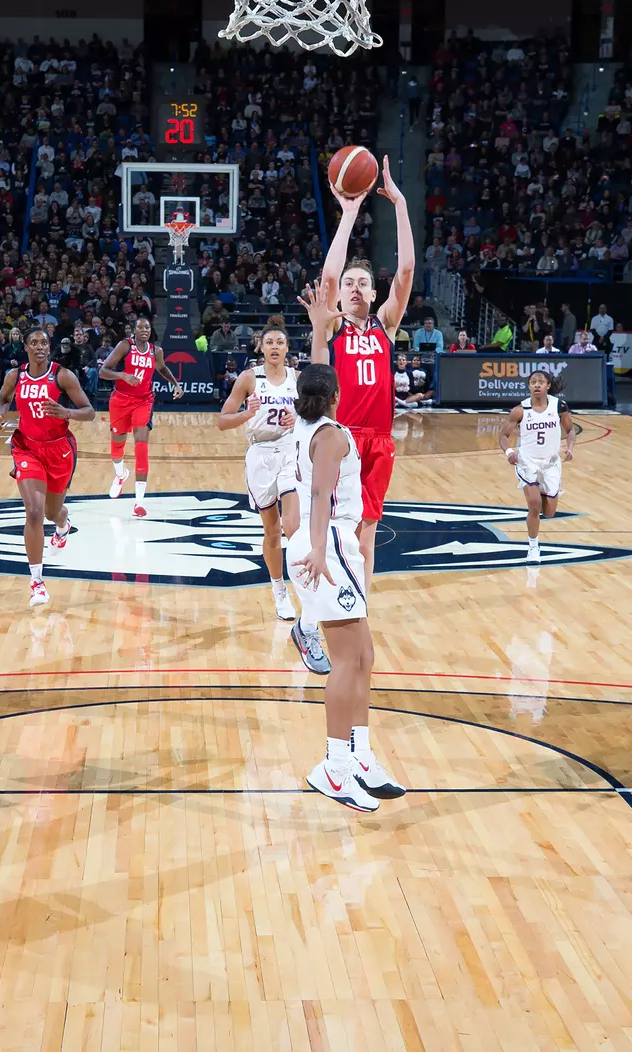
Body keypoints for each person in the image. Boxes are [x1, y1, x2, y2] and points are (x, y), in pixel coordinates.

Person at [306, 154, 416, 673]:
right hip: (341, 439)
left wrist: (397, 203)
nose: (353, 289)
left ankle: (359, 606)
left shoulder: (385, 327)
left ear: (373, 294)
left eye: (361, 285)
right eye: (349, 284)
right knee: (332, 527)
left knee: (367, 532)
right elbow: (327, 277)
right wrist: (348, 213)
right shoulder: (333, 327)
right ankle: (312, 616)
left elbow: (409, 270)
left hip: (381, 440)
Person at [286, 363, 403, 811]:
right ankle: (334, 768)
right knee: (346, 662)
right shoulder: (331, 436)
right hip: (329, 544)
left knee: (364, 656)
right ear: (336, 394)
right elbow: (318, 496)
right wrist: (318, 547)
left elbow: (314, 371)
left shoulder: (306, 424)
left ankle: (360, 754)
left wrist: (319, 327)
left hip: (329, 543)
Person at [0, 328, 96, 607]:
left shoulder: (62, 375)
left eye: (44, 343)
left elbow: (89, 410)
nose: (40, 347)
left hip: (60, 449)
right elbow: (1, 398)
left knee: (51, 512)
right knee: (35, 513)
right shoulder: (15, 376)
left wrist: (67, 413)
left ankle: (63, 524)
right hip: (27, 448)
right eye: (34, 343)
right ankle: (37, 582)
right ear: (25, 347)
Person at [216, 315, 301, 622]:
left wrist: (300, 421)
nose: (275, 347)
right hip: (261, 454)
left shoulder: (298, 378)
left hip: (290, 451)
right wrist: (246, 414)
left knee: (294, 525)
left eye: (280, 342)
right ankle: (279, 591)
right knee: (272, 530)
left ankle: (305, 589)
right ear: (261, 347)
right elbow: (222, 420)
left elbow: (317, 418)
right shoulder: (249, 378)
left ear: (287, 347)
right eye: (269, 343)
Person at [100, 316, 184, 516]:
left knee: (141, 446)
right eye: (140, 327)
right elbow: (103, 371)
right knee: (117, 445)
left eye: (147, 327)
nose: (144, 330)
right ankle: (120, 475)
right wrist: (123, 376)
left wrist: (175, 383)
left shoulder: (157, 351)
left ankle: (139, 503)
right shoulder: (124, 346)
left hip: (143, 401)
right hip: (120, 400)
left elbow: (161, 368)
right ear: (134, 331)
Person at [499, 369, 575, 565]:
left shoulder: (559, 406)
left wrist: (570, 447)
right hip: (528, 462)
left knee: (549, 512)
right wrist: (509, 453)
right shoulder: (520, 410)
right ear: (529, 386)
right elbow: (502, 436)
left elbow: (570, 430)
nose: (537, 385)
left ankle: (546, 491)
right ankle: (533, 547)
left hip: (550, 463)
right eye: (533, 382)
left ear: (548, 386)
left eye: (541, 382)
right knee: (534, 504)